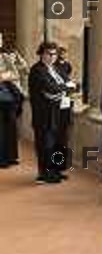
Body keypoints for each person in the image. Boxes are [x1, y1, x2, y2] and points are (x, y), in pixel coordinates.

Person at [28, 42, 67, 183]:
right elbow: (51, 89)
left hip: (58, 113)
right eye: (49, 54)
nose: (52, 57)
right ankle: (44, 174)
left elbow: (70, 83)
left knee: (58, 143)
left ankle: (56, 170)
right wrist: (64, 88)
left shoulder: (55, 69)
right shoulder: (37, 70)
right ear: (41, 54)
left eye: (54, 54)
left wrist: (64, 87)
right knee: (45, 144)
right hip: (44, 115)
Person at [0, 36, 26, 168]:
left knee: (11, 127)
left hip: (9, 96)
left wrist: (4, 76)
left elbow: (17, 73)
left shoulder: (4, 57)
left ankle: (11, 156)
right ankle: (1, 158)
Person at [54, 46, 76, 171]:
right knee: (60, 135)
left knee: (65, 134)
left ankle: (64, 163)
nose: (63, 55)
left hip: (66, 102)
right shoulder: (54, 67)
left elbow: (68, 77)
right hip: (58, 104)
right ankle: (59, 163)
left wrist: (70, 86)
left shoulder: (67, 65)